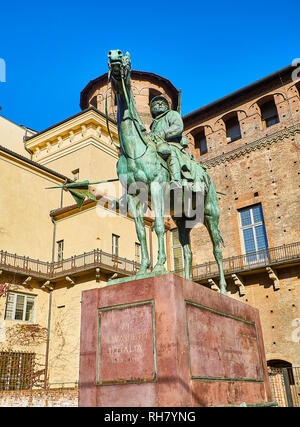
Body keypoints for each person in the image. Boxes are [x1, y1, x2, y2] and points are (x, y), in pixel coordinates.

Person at [149, 95, 190, 188]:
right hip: (156, 145)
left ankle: (176, 180)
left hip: (172, 143)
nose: (160, 104)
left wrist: (161, 134)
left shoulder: (172, 114)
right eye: (156, 103)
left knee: (169, 150)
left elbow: (178, 127)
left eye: (162, 103)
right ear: (151, 109)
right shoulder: (153, 124)